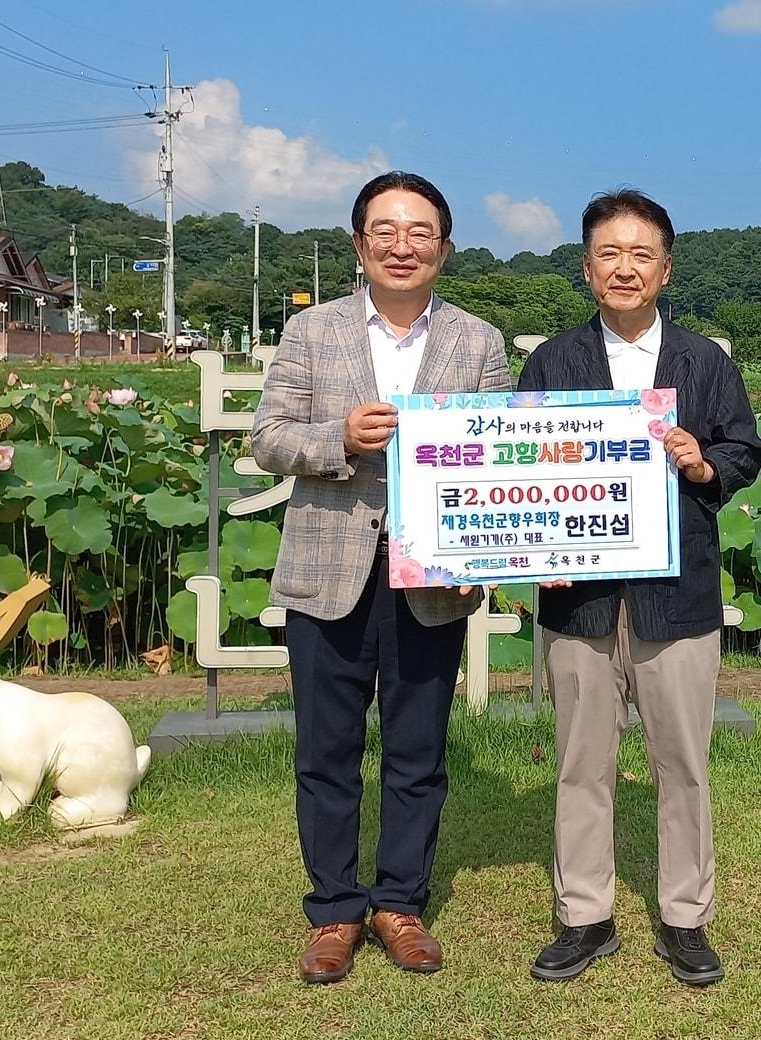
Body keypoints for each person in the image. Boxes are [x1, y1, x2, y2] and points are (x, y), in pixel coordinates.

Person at [251, 171, 512, 984]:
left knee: (417, 751)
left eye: (421, 232)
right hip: (326, 565)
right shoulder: (310, 332)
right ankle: (334, 910)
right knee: (325, 750)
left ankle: (400, 903)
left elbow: (500, 462)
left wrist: (485, 558)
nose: (404, 246)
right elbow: (268, 438)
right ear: (360, 243)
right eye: (386, 231)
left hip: (430, 574)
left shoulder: (479, 342)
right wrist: (340, 437)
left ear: (446, 247)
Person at [518, 190, 761, 987]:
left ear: (665, 268)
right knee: (580, 763)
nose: (624, 267)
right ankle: (584, 916)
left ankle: (685, 918)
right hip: (577, 599)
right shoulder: (552, 363)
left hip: (678, 595)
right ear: (586, 267)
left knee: (683, 763)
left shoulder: (704, 362)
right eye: (608, 253)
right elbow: (513, 471)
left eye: (641, 254)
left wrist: (702, 464)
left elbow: (745, 450)